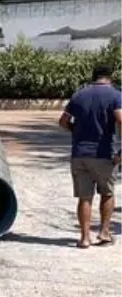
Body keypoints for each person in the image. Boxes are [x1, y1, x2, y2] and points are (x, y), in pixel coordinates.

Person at [59, 65, 122, 248]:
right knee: (107, 194)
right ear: (110, 78)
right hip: (104, 154)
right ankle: (104, 233)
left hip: (80, 154)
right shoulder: (116, 95)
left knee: (84, 198)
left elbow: (63, 121)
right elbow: (120, 118)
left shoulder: (79, 95)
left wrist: (76, 132)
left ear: (93, 77)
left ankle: (84, 238)